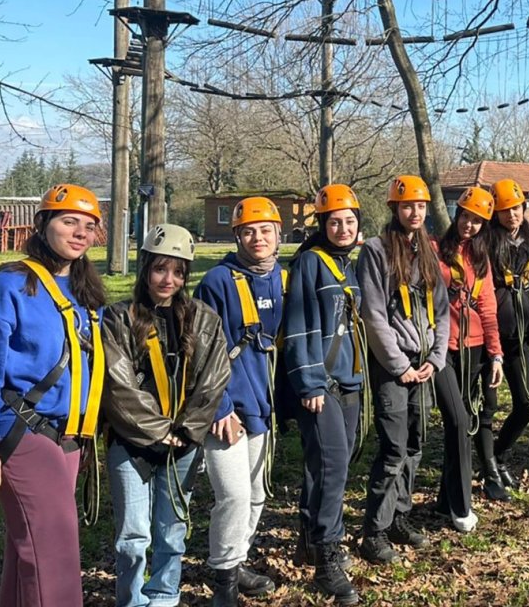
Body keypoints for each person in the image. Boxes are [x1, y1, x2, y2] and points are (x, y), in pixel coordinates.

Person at [0, 183, 108, 607]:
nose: (80, 232)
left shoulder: (84, 293)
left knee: (30, 556)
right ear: (43, 225)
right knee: (54, 557)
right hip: (21, 432)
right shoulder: (10, 286)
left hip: (69, 436)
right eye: (69, 221)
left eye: (89, 226)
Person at [101, 224, 231, 607]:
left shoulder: (203, 319)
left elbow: (214, 377)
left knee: (172, 531)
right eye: (160, 269)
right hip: (132, 443)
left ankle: (164, 596)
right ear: (145, 270)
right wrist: (160, 431)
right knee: (133, 536)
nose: (168, 280)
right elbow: (118, 384)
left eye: (177, 272)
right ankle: (132, 601)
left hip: (183, 444)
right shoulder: (119, 318)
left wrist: (188, 430)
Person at [193, 196, 286, 605]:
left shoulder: (282, 278)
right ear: (237, 236)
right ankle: (224, 583)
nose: (258, 237)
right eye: (248, 231)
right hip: (226, 408)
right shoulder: (217, 282)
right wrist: (220, 407)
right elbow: (199, 349)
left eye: (265, 230)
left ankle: (236, 560)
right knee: (232, 494)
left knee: (257, 492)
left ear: (279, 234)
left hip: (263, 405)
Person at [357, 175, 450, 564]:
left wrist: (435, 359)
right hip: (392, 366)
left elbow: (442, 311)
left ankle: (400, 516)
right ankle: (374, 531)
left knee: (415, 444)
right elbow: (374, 314)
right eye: (407, 206)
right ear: (394, 208)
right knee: (393, 448)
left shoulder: (427, 250)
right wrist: (399, 366)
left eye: (421, 206)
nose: (415, 212)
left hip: (423, 364)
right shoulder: (376, 251)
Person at [282, 184, 366, 605]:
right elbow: (298, 328)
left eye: (349, 221)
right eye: (335, 221)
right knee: (333, 467)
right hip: (322, 384)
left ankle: (309, 536)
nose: (343, 227)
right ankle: (327, 556)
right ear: (322, 225)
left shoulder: (346, 265)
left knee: (328, 462)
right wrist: (310, 381)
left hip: (349, 380)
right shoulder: (310, 264)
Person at [436, 186, 504, 524]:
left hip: (474, 348)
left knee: (458, 424)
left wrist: (496, 354)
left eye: (477, 221)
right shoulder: (436, 250)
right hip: (442, 349)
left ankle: (444, 496)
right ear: (456, 215)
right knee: (460, 421)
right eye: (466, 217)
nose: (470, 225)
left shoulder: (481, 259)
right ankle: (461, 507)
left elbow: (489, 308)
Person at [486, 178, 529, 498]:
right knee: (487, 407)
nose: (512, 215)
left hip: (523, 337)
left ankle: (499, 455)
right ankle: (488, 468)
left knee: (528, 405)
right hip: (491, 336)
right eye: (505, 210)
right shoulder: (486, 243)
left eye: (517, 208)